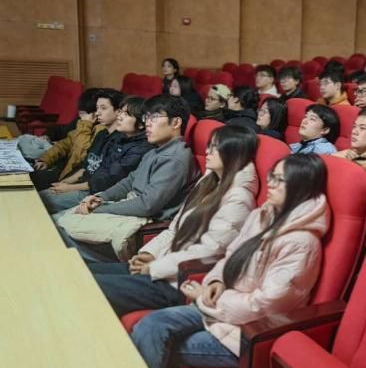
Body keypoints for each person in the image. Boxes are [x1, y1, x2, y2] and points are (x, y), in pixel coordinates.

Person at [130, 153, 330, 368]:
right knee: (150, 326)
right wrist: (216, 281)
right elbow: (230, 256)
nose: (271, 184)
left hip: (245, 334)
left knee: (153, 340)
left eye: (279, 180)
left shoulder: (301, 243)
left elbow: (267, 304)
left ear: (301, 187)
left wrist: (207, 299)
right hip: (220, 311)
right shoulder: (262, 215)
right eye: (271, 177)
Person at [90, 125, 258, 316]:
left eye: (215, 147)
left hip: (176, 283)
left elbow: (209, 251)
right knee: (85, 272)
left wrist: (153, 268)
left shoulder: (238, 199)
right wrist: (149, 254)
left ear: (234, 153)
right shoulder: (208, 183)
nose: (207, 151)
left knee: (90, 285)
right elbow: (175, 228)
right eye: (208, 146)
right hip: (160, 267)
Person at [57, 95, 198, 262]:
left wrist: (101, 209)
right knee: (57, 221)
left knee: (57, 231)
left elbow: (147, 205)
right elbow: (130, 181)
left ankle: (97, 270)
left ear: (175, 122)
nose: (147, 123)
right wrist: (102, 197)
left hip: (144, 222)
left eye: (154, 117)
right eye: (146, 117)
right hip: (129, 209)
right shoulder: (157, 150)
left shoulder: (174, 158)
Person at [40, 95, 152, 214]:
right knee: (40, 196)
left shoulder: (141, 148)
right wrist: (66, 183)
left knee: (41, 202)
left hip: (98, 193)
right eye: (121, 112)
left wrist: (69, 187)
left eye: (126, 114)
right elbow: (90, 167)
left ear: (141, 124)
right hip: (87, 186)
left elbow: (108, 180)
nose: (119, 117)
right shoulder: (118, 138)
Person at [31, 89, 123, 191]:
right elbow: (64, 144)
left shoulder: (100, 129)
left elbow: (82, 155)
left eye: (83, 113)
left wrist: (86, 125)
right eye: (98, 108)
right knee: (31, 176)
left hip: (76, 176)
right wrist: (45, 159)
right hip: (67, 171)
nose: (98, 113)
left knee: (35, 184)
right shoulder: (85, 124)